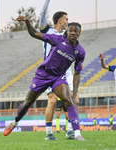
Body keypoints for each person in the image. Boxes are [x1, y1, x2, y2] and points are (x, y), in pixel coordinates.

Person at [3, 15, 86, 141]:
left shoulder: (80, 52)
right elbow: (34, 34)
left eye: (76, 31)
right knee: (28, 103)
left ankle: (77, 134)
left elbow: (77, 73)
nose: (73, 33)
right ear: (67, 31)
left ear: (79, 33)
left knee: (69, 101)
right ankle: (14, 123)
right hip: (43, 75)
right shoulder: (57, 39)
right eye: (71, 30)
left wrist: (75, 92)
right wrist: (27, 22)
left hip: (58, 77)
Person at [39, 0, 79, 140]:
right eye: (66, 19)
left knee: (73, 99)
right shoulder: (47, 31)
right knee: (52, 100)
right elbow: (42, 14)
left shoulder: (67, 36)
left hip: (65, 71)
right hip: (50, 71)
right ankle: (49, 133)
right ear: (60, 20)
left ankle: (70, 131)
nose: (68, 22)